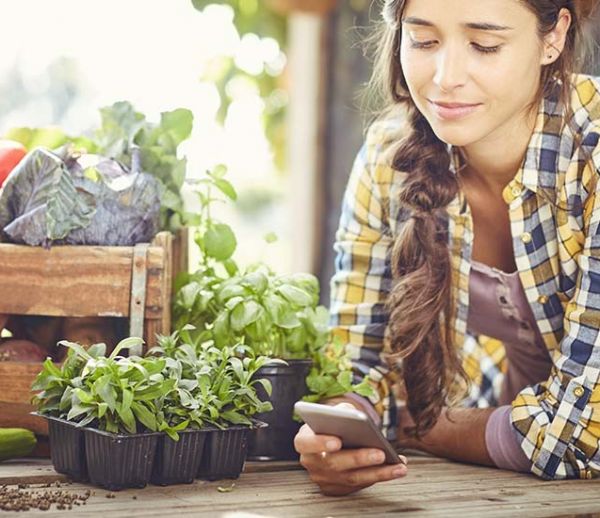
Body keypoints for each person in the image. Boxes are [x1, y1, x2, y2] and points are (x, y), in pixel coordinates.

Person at [294, 0, 600, 496]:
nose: (445, 77)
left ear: (553, 37)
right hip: (515, 487)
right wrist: (342, 427)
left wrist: (435, 429)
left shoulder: (592, 156)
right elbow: (358, 361)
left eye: (485, 45)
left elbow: (582, 434)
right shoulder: (387, 157)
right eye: (423, 41)